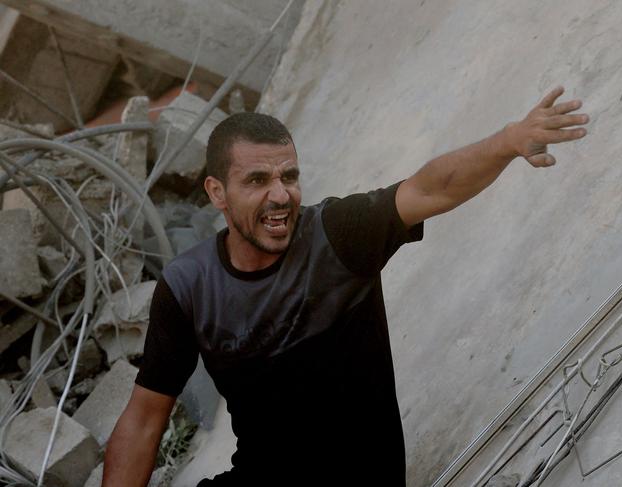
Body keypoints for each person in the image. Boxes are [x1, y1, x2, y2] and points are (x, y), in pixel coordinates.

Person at [102, 86, 588, 486]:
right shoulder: (189, 287)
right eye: (256, 180)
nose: (280, 195)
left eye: (289, 176)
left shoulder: (337, 235)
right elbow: (145, 418)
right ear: (216, 194)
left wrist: (507, 140)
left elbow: (428, 188)